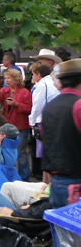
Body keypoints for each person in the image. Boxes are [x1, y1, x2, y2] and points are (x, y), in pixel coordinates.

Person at [41, 58, 81, 208]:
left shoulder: (50, 107)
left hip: (57, 182)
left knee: (60, 230)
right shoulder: (78, 105)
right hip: (76, 183)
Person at [0, 68, 32, 180]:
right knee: (7, 151)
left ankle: (24, 176)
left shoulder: (25, 92)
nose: (7, 80)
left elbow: (29, 109)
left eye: (9, 78)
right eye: (6, 78)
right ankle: (10, 175)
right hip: (7, 126)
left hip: (20, 126)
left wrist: (16, 104)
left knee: (20, 152)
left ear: (16, 79)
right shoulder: (5, 90)